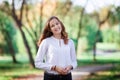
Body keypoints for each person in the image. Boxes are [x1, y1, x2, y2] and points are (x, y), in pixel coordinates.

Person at [35, 16, 77, 80]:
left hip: (67, 77)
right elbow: (37, 63)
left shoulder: (70, 42)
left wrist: (70, 67)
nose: (56, 26)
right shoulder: (46, 42)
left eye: (57, 23)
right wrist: (54, 67)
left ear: (60, 24)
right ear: (50, 29)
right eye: (52, 26)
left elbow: (74, 62)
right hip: (51, 77)